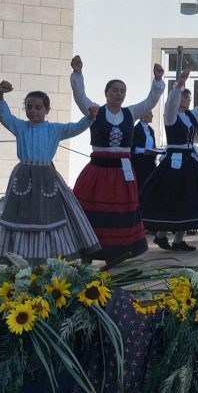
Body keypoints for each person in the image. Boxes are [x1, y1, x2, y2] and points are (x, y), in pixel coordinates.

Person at [70, 55, 165, 268]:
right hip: (98, 169)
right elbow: (79, 96)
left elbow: (150, 101)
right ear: (106, 93)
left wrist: (157, 80)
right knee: (91, 210)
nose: (119, 94)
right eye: (115, 90)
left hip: (122, 170)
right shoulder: (95, 110)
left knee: (119, 212)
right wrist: (78, 73)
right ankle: (87, 248)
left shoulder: (131, 112)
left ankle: (117, 251)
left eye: (122, 91)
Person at [0, 81, 100, 261]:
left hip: (47, 177)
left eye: (38, 107)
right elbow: (4, 115)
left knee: (51, 216)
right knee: (21, 216)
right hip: (23, 177)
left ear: (47, 110)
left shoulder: (55, 129)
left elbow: (75, 128)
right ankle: (20, 256)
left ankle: (51, 256)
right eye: (29, 107)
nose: (33, 111)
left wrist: (89, 118)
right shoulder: (19, 126)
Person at [141, 67, 198, 250]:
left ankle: (177, 239)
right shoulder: (170, 116)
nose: (188, 100)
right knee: (171, 198)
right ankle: (162, 234)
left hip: (188, 161)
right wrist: (178, 86)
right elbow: (171, 102)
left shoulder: (190, 115)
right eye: (185, 97)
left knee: (189, 198)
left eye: (188, 98)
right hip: (174, 161)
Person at [131, 111, 158, 195]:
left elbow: (153, 145)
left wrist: (155, 150)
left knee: (151, 185)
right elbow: (132, 148)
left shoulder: (151, 130)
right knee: (141, 186)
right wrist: (144, 151)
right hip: (140, 163)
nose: (152, 115)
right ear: (143, 116)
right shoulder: (136, 129)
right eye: (150, 113)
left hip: (150, 162)